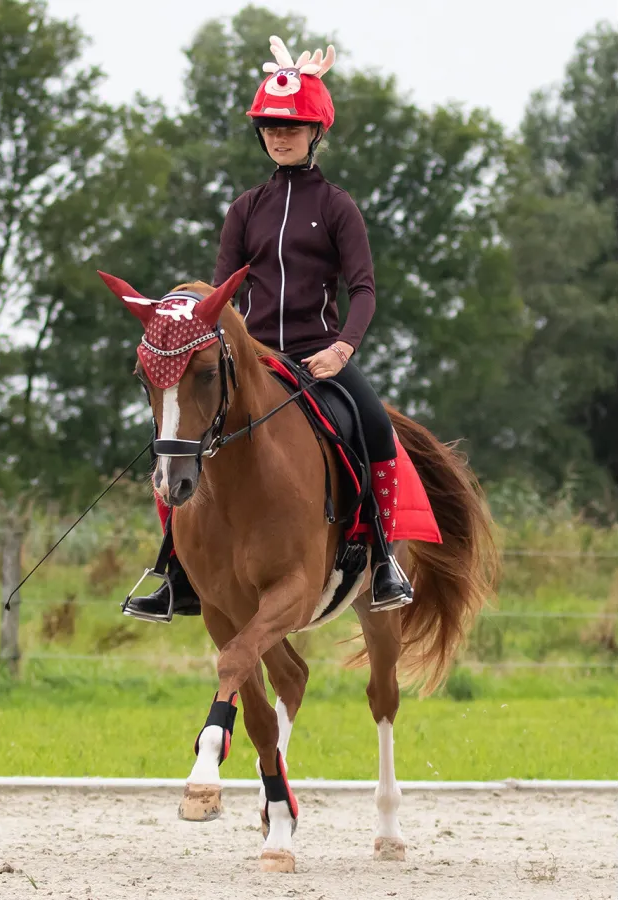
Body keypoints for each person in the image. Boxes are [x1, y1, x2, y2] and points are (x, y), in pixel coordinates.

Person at [127, 36, 440, 621]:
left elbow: (364, 289)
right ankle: (173, 569)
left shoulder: (340, 208)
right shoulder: (245, 209)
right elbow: (220, 298)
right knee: (176, 440)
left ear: (315, 132)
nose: (279, 135)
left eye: (290, 127)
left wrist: (344, 349)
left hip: (319, 358)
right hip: (253, 360)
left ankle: (381, 562)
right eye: (270, 126)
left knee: (372, 427)